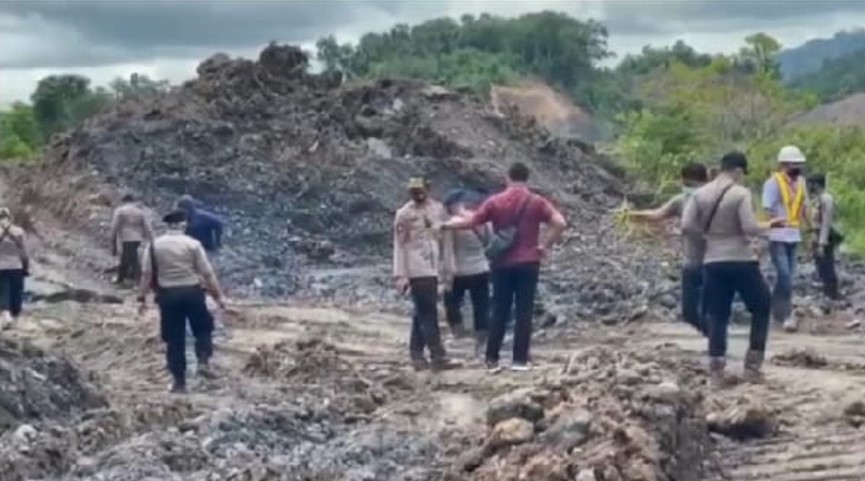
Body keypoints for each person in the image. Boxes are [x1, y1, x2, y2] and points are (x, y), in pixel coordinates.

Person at [444, 162, 567, 373]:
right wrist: (544, 245)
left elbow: (473, 221)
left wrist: (446, 224)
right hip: (529, 262)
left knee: (499, 309)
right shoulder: (537, 201)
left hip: (502, 264)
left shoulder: (496, 201)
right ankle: (519, 361)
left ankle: (492, 360)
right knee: (524, 311)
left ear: (507, 178)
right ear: (527, 178)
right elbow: (560, 223)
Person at [682, 151, 784, 387]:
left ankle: (717, 371)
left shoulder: (699, 194)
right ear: (737, 170)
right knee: (761, 306)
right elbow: (749, 228)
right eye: (742, 173)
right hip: (740, 259)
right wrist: (770, 225)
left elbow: (687, 226)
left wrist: (709, 238)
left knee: (717, 314)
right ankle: (752, 367)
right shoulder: (740, 193)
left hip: (712, 261)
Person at [139, 209, 227, 393]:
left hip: (168, 296)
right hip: (192, 292)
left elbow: (147, 274)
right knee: (203, 328)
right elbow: (207, 273)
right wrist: (218, 296)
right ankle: (203, 361)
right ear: (184, 224)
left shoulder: (155, 246)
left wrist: (142, 297)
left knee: (174, 338)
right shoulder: (193, 244)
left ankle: (179, 382)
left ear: (167, 225)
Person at [628, 162, 710, 336]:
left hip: (713, 262)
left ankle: (717, 343)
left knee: (706, 308)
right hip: (693, 262)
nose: (690, 188)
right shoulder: (681, 200)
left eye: (692, 184)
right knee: (690, 311)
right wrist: (632, 215)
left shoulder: (715, 200)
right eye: (688, 185)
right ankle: (715, 337)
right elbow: (658, 214)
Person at [393, 177, 460, 371]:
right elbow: (399, 245)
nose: (417, 195)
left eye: (420, 190)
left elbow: (446, 239)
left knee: (421, 312)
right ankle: (438, 355)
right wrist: (400, 275)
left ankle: (416, 355)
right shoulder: (404, 215)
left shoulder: (438, 210)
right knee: (428, 311)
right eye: (413, 191)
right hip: (416, 268)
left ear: (428, 189)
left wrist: (449, 267)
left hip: (434, 267)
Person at [761, 145, 809, 331]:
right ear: (784, 164)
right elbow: (767, 208)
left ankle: (778, 313)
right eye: (794, 163)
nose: (797, 167)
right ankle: (782, 313)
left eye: (799, 163)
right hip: (778, 236)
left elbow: (803, 207)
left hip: (794, 236)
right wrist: (770, 226)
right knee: (785, 276)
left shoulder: (802, 183)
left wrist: (810, 228)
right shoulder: (773, 183)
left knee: (789, 278)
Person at [442, 189, 492, 355]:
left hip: (459, 272)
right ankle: (482, 339)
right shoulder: (479, 219)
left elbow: (444, 247)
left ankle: (458, 333)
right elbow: (489, 240)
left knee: (452, 303)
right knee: (481, 305)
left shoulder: (450, 223)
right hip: (481, 269)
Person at [807, 173, 841, 300]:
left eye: (810, 184)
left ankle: (832, 294)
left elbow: (826, 222)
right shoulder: (818, 199)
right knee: (821, 265)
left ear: (816, 184)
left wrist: (822, 243)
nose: (808, 187)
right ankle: (828, 292)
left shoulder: (826, 199)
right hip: (819, 235)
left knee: (827, 264)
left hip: (825, 237)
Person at [110, 193, 153, 286]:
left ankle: (136, 280)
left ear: (124, 201)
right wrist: (151, 239)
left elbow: (115, 226)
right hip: (137, 238)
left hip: (126, 237)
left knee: (131, 258)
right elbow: (147, 226)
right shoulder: (140, 212)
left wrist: (112, 238)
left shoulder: (120, 211)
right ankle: (122, 278)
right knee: (126, 258)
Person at [0, 208, 29, 329]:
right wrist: (26, 267)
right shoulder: (19, 231)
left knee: (3, 293)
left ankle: (6, 317)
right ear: (9, 217)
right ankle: (15, 319)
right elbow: (24, 253)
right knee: (17, 294)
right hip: (17, 267)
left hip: (1, 268)